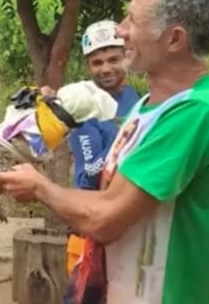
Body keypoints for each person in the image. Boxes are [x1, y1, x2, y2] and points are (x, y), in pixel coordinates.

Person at [0, 0, 209, 304]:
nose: (121, 30)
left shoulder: (199, 113)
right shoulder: (149, 105)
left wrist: (40, 187)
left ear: (174, 39)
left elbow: (105, 218)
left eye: (133, 20)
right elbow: (106, 197)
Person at [65, 19, 139, 275]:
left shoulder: (139, 100)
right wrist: (124, 139)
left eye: (113, 59)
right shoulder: (83, 108)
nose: (105, 69)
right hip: (88, 231)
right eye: (97, 62)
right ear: (88, 65)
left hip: (130, 229)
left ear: (126, 56)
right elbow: (89, 174)